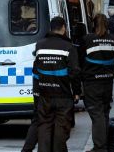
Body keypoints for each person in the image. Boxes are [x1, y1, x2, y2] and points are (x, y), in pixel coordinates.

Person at [34, 17, 81, 152]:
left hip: (45, 95)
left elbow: (36, 72)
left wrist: (37, 92)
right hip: (63, 95)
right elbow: (75, 72)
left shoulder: (39, 45)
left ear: (51, 28)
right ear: (63, 28)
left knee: (44, 127)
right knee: (61, 129)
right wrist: (76, 92)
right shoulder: (69, 47)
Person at [80, 13, 114, 152]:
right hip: (107, 81)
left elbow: (80, 59)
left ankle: (100, 148)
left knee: (97, 115)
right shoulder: (112, 39)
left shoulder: (88, 39)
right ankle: (103, 145)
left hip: (92, 82)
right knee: (104, 113)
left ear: (93, 24)